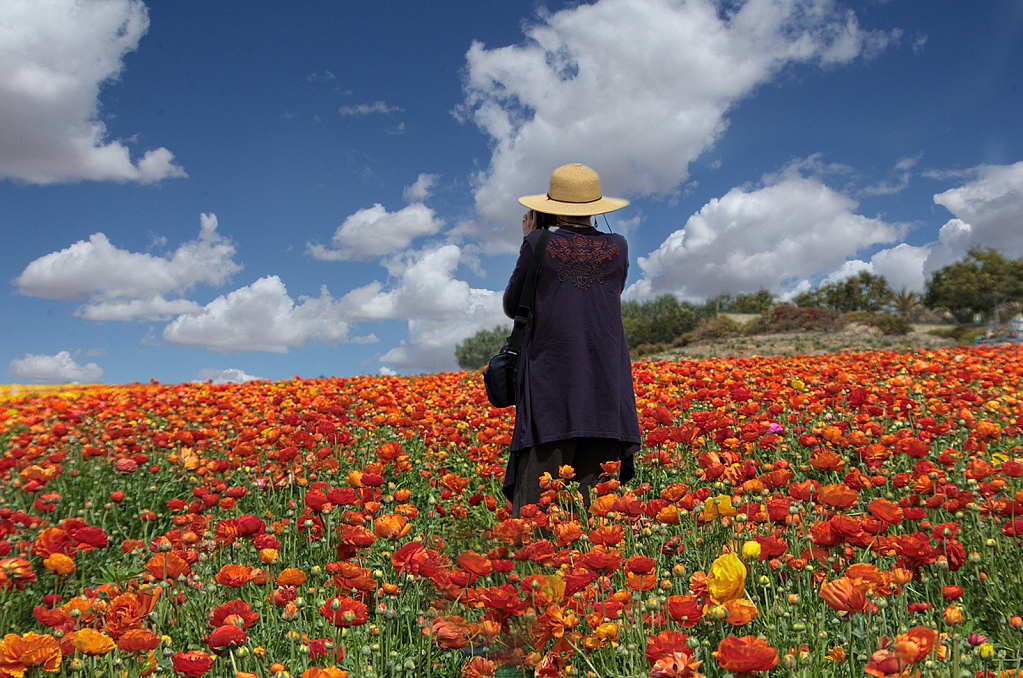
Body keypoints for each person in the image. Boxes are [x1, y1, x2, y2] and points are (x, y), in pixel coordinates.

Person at [501, 163, 641, 517]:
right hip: (606, 386)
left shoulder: (537, 242)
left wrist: (529, 241)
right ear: (595, 207)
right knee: (593, 508)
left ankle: (534, 568)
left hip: (553, 385)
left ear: (550, 207)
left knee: (536, 506)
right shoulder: (619, 247)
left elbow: (512, 305)